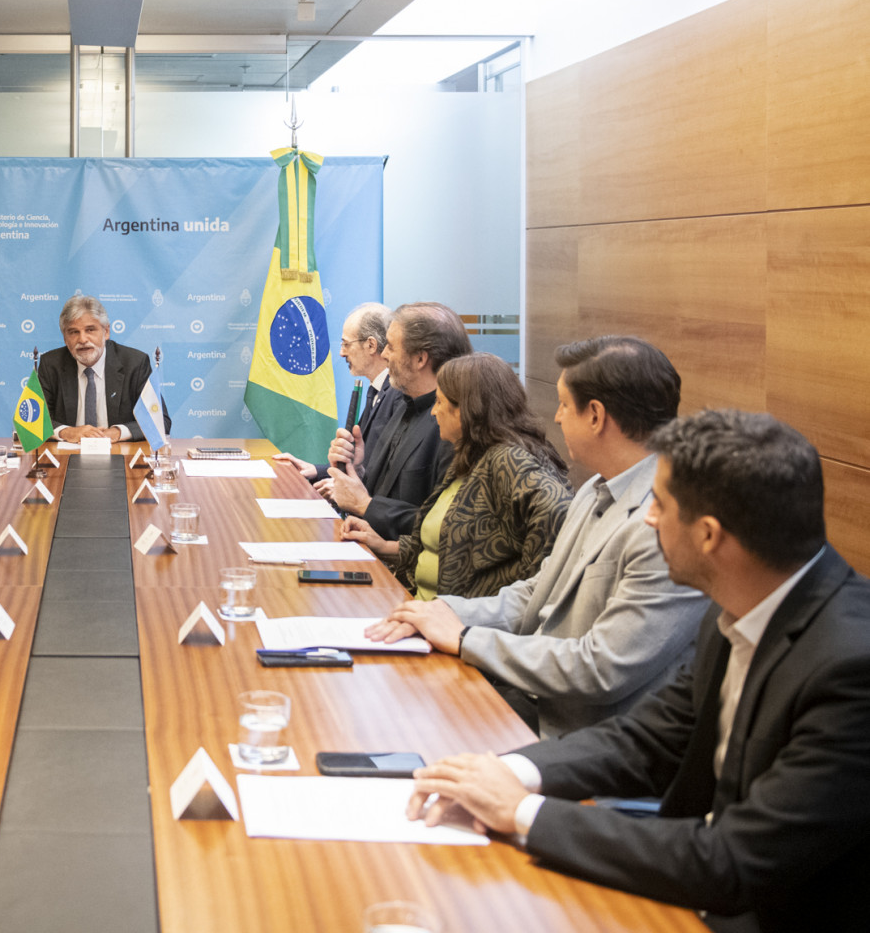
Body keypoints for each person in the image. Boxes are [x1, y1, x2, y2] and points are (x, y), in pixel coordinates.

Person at [407, 410, 870, 933]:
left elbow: (733, 861)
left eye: (660, 504)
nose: (647, 518)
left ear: (709, 535)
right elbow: (645, 740)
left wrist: (521, 813)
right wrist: (505, 775)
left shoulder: (852, 668)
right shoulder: (739, 607)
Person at [366, 336, 707, 736]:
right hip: (530, 698)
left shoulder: (664, 524)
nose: (558, 418)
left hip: (586, 737)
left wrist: (466, 638)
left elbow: (600, 668)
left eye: (564, 405)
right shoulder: (595, 488)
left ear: (595, 416)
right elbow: (537, 591)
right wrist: (446, 613)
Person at [343, 353, 571, 600]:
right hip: (418, 606)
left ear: (467, 409)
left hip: (457, 624)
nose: (433, 412)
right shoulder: (470, 455)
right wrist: (383, 545)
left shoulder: (508, 460)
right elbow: (443, 546)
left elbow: (559, 515)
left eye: (439, 403)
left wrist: (530, 604)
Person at [323, 302, 470, 537]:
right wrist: (357, 470)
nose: (384, 355)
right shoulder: (403, 405)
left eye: (390, 347)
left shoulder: (452, 424)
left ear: (420, 359)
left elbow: (446, 525)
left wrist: (365, 505)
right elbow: (384, 492)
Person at [273, 301, 398, 478]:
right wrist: (315, 470)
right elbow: (361, 465)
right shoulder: (377, 390)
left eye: (346, 344)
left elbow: (383, 472)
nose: (341, 353)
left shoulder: (398, 394)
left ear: (371, 345)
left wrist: (342, 484)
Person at [35, 295, 170, 443]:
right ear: (65, 338)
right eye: (74, 332)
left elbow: (160, 421)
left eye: (90, 330)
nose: (82, 339)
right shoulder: (51, 364)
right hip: (67, 455)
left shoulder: (134, 363)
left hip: (119, 455)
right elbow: (34, 421)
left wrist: (117, 432)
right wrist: (66, 432)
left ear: (106, 332)